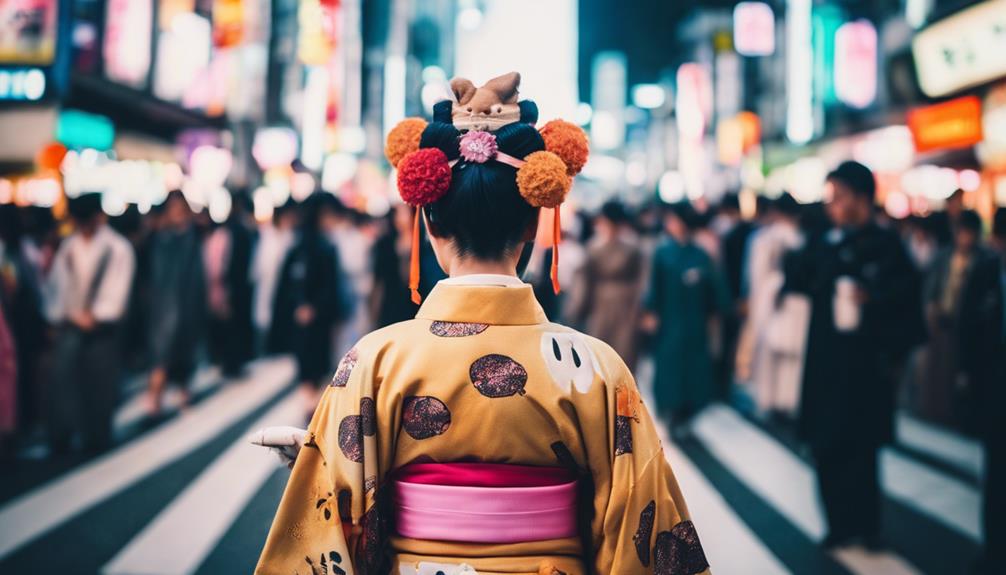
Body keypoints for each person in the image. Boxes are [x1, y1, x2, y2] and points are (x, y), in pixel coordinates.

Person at [255, 72, 709, 575]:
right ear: (534, 222)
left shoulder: (376, 360)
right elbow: (642, 525)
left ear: (428, 222)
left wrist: (320, 463)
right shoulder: (597, 369)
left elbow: (335, 518)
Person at [785, 161, 924, 549]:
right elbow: (796, 279)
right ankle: (838, 525)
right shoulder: (826, 242)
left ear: (862, 198)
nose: (832, 205)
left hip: (865, 367)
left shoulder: (886, 244)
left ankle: (868, 526)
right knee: (827, 446)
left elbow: (908, 300)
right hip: (827, 363)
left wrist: (873, 298)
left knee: (863, 450)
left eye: (838, 197)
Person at [45, 193, 135, 453]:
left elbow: (118, 293)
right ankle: (63, 436)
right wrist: (65, 315)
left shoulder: (117, 248)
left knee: (99, 387)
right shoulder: (69, 247)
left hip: (102, 329)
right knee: (64, 385)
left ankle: (96, 438)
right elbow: (56, 288)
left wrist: (96, 315)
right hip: (71, 325)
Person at [643, 202, 730, 434]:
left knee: (694, 367)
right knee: (669, 365)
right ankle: (670, 409)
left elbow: (715, 290)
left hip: (695, 320)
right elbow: (654, 286)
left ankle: (689, 409)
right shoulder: (663, 253)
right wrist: (650, 312)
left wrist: (716, 312)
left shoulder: (701, 255)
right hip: (670, 319)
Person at [917, 211, 1002, 428]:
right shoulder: (945, 255)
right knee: (939, 369)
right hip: (943, 317)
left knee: (959, 369)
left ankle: (956, 413)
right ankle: (936, 410)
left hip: (967, 322)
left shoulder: (985, 260)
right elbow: (932, 285)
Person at [271, 193, 347, 416]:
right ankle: (311, 407)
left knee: (313, 365)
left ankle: (311, 406)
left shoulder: (304, 246)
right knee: (314, 364)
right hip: (312, 318)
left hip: (310, 318)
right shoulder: (318, 247)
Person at [735, 193, 808, 419]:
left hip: (767, 300)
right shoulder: (801, 238)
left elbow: (755, 275)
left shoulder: (764, 239)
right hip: (798, 306)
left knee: (766, 352)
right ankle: (788, 401)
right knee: (793, 358)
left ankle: (767, 400)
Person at [144, 191, 207, 416]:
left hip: (188, 302)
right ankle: (155, 395)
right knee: (162, 353)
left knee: (184, 350)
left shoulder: (193, 237)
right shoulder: (162, 239)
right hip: (164, 304)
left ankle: (180, 390)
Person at [567, 201, 645, 370]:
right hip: (613, 305)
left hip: (613, 306)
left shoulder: (597, 247)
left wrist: (575, 312)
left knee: (612, 355)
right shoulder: (626, 247)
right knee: (612, 355)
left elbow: (583, 285)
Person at [975, 207, 1006, 573]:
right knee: (996, 473)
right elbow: (971, 329)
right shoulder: (985, 272)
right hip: (995, 387)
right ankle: (994, 551)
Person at [204, 193, 256, 377]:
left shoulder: (225, 232)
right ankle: (232, 362)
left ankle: (229, 362)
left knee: (229, 327)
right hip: (234, 288)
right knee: (234, 327)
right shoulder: (238, 231)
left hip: (228, 287)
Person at [253, 200, 298, 353]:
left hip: (284, 289)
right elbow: (261, 264)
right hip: (268, 284)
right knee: (263, 319)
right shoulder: (268, 235)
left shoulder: (290, 237)